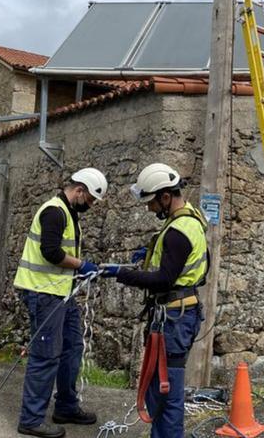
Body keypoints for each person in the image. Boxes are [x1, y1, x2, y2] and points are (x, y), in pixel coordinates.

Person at [104, 163, 208, 438]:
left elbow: (164, 279)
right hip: (176, 315)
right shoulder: (187, 220)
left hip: (174, 318)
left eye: (151, 202)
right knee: (158, 387)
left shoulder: (178, 231)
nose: (149, 209)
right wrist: (148, 251)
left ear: (165, 197)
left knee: (167, 390)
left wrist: (122, 274)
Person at [13, 168, 108, 438]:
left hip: (61, 293)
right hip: (43, 294)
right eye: (89, 200)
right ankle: (31, 419)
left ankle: (66, 406)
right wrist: (82, 265)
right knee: (45, 356)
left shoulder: (70, 214)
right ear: (79, 190)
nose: (90, 206)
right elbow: (51, 252)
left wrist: (79, 270)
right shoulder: (54, 211)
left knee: (72, 348)